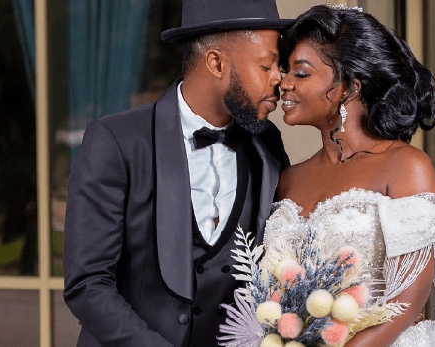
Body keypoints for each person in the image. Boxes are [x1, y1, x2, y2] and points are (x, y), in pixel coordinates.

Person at [62, 0, 292, 346]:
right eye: (267, 65)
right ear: (216, 62)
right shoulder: (116, 141)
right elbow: (87, 284)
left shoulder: (267, 144)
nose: (279, 79)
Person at [263, 4, 435, 346]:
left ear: (349, 87)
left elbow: (406, 304)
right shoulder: (288, 178)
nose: (283, 83)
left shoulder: (406, 167)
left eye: (301, 73)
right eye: (286, 71)